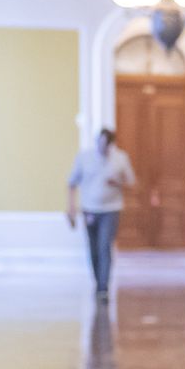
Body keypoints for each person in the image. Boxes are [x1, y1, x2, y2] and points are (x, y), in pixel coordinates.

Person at [66, 127, 135, 297]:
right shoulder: (84, 158)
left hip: (111, 209)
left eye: (106, 145)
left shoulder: (120, 159)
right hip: (89, 209)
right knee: (94, 247)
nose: (102, 148)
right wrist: (71, 207)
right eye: (100, 144)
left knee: (105, 245)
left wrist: (117, 183)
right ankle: (97, 281)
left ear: (111, 145)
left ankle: (104, 286)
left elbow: (132, 183)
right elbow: (71, 183)